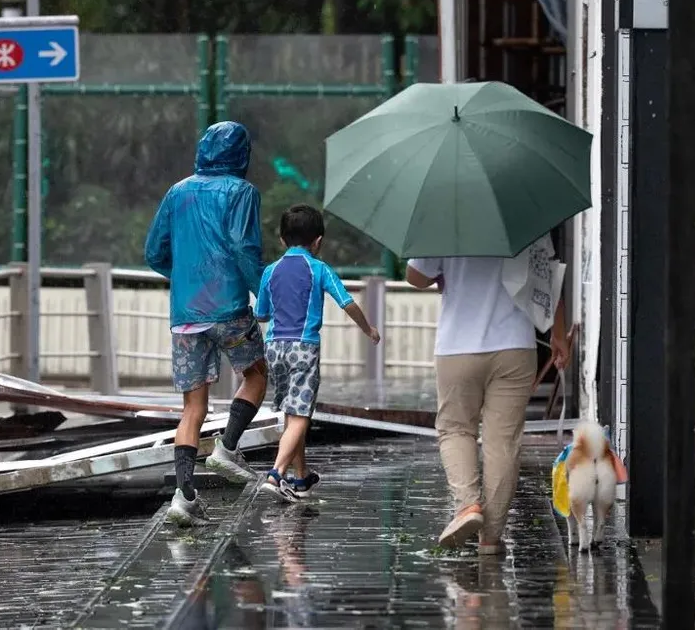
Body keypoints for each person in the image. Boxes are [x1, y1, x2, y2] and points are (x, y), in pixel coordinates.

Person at [406, 237, 569, 554]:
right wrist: (558, 333)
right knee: (503, 441)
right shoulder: (526, 213)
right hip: (516, 346)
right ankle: (491, 539)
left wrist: (442, 271)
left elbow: (416, 277)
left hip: (458, 347)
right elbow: (546, 276)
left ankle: (468, 506)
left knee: (456, 429)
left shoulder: (443, 217)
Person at [144, 121, 269, 528]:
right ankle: (227, 448)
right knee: (255, 374)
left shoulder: (177, 191)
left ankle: (183, 497)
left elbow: (154, 252)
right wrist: (261, 292)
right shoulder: (242, 192)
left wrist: (184, 280)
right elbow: (244, 246)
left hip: (185, 317)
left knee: (192, 408)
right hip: (230, 308)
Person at [254, 205, 380, 502]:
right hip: (304, 348)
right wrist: (368, 329)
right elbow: (346, 302)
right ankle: (276, 473)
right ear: (318, 241)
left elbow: (261, 314)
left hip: (274, 348)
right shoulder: (319, 269)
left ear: (282, 239)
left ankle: (302, 478)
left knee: (291, 413)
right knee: (300, 415)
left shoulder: (269, 272)